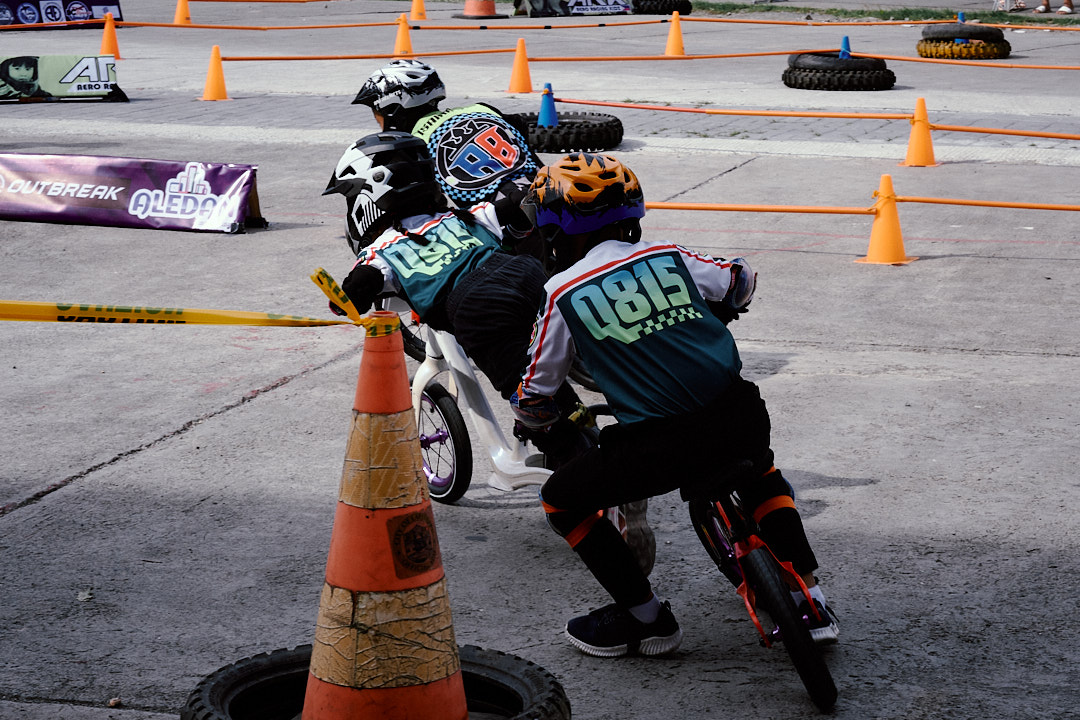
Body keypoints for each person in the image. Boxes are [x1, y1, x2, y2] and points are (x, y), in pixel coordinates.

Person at [510, 152, 839, 657]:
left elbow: (536, 388)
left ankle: (645, 617)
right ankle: (811, 599)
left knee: (561, 498)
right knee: (762, 474)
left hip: (657, 449)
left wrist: (537, 418)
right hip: (738, 415)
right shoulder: (669, 255)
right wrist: (726, 309)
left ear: (556, 230)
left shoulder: (561, 290)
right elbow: (740, 279)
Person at [351, 60, 540, 252]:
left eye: (376, 112)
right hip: (546, 194)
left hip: (503, 230)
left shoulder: (411, 145)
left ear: (392, 109)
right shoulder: (482, 109)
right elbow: (523, 137)